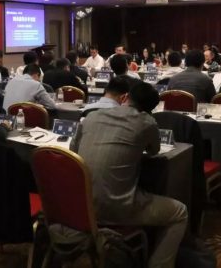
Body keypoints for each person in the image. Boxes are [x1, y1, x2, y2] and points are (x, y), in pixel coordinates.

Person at [70, 82, 188, 268]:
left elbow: (73, 151)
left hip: (81, 205)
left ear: (126, 97)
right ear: (151, 109)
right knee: (180, 212)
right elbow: (154, 150)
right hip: (117, 207)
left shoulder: (91, 116)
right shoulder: (147, 122)